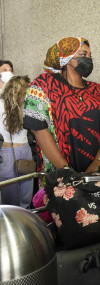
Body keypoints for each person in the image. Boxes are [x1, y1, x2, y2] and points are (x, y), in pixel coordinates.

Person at [23, 37, 100, 177]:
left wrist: (98, 162)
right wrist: (66, 171)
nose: (88, 59)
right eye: (82, 55)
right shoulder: (44, 85)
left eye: (89, 55)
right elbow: (38, 128)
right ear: (65, 58)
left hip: (97, 173)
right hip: (59, 175)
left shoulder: (97, 91)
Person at [0, 75, 33, 208]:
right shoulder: (29, 105)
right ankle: (25, 220)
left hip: (5, 152)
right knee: (26, 194)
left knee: (8, 195)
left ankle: (9, 223)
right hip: (25, 150)